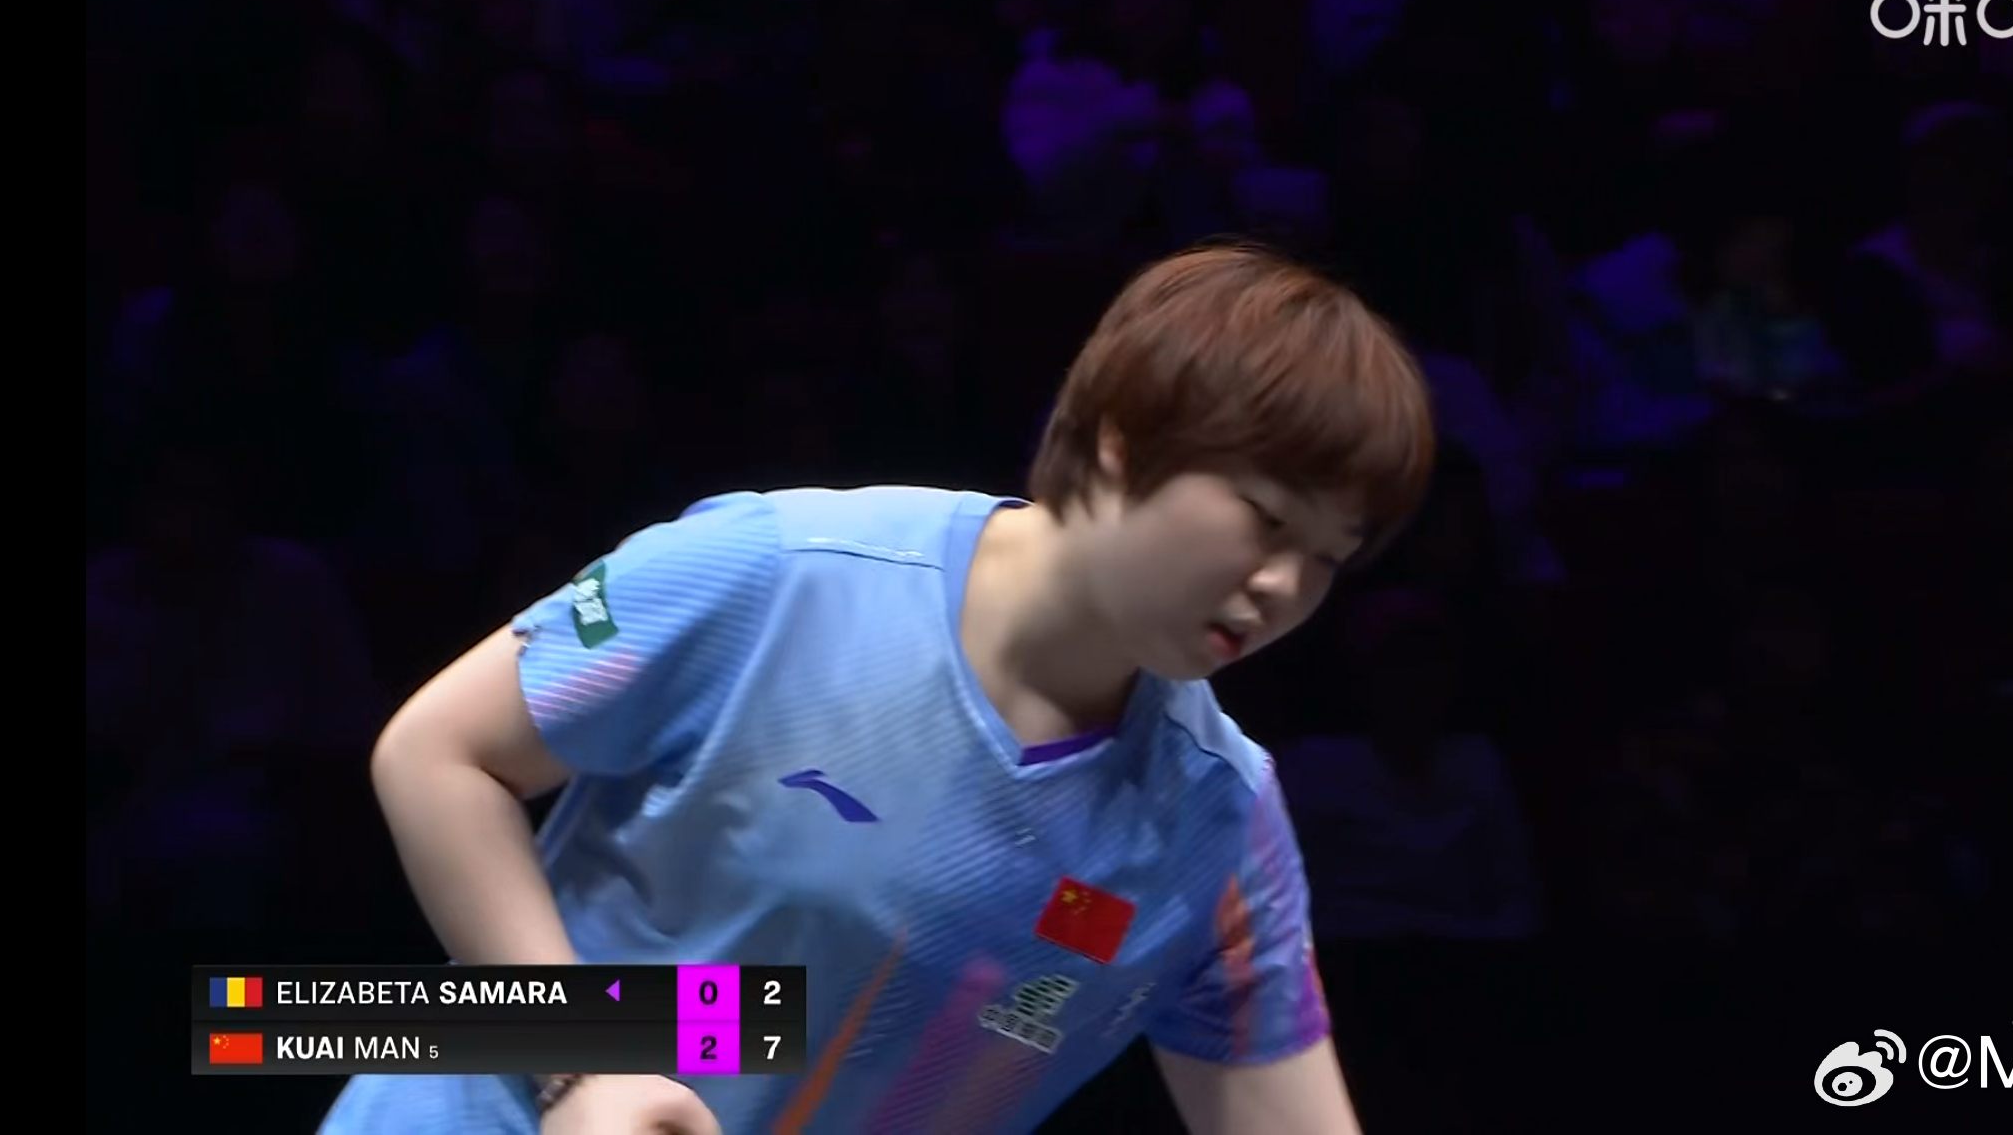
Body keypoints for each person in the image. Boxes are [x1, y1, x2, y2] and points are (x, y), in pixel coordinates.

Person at [320, 243, 1433, 1134]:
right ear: (1122, 445)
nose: (1284, 587)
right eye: (1265, 519)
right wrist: (579, 1067)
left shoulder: (1216, 828)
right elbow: (440, 753)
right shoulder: (777, 575)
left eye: (1328, 559)